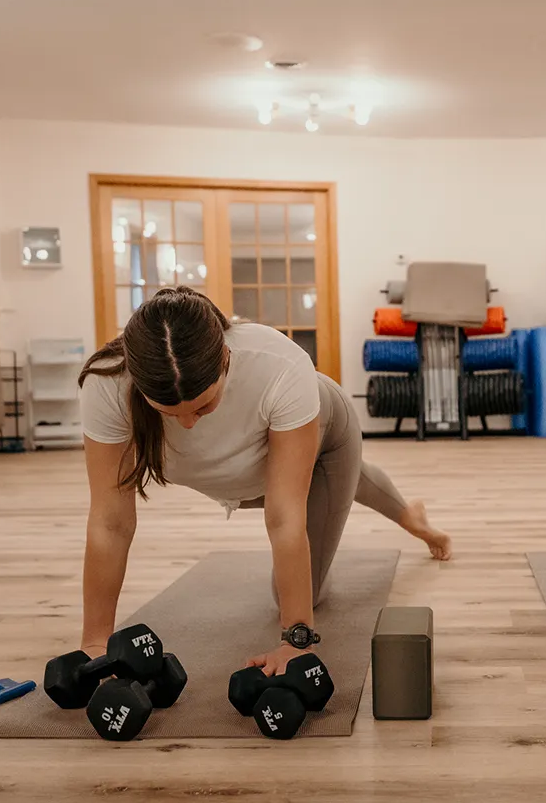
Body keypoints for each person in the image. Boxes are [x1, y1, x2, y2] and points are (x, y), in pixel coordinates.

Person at [76, 285, 451, 676]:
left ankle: (411, 519)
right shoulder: (107, 386)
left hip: (327, 433)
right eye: (168, 413)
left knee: (297, 592)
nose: (187, 423)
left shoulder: (278, 365)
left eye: (203, 406)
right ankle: (400, 508)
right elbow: (110, 522)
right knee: (328, 481)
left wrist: (295, 641)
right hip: (249, 472)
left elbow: (284, 518)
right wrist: (94, 645)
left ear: (225, 359)